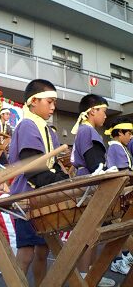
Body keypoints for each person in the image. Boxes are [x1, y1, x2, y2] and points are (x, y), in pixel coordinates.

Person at [9, 79, 69, 287]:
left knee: (43, 250)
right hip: (27, 197)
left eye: (54, 103)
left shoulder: (49, 130)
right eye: (49, 102)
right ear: (33, 101)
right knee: (26, 252)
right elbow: (34, 168)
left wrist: (64, 178)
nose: (53, 107)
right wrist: (61, 181)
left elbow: (53, 165)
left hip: (43, 195)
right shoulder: (27, 125)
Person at [70, 94, 115, 287]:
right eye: (103, 111)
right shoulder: (88, 131)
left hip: (85, 181)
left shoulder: (84, 131)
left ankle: (88, 274)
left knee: (91, 232)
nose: (105, 116)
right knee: (89, 232)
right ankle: (84, 277)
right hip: (89, 184)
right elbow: (96, 165)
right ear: (93, 111)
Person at [104, 117, 133, 275]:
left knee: (120, 228)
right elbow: (124, 172)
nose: (131, 136)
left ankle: (123, 257)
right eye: (129, 133)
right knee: (119, 228)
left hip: (122, 194)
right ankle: (120, 259)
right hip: (119, 195)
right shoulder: (115, 147)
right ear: (120, 132)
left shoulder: (120, 146)